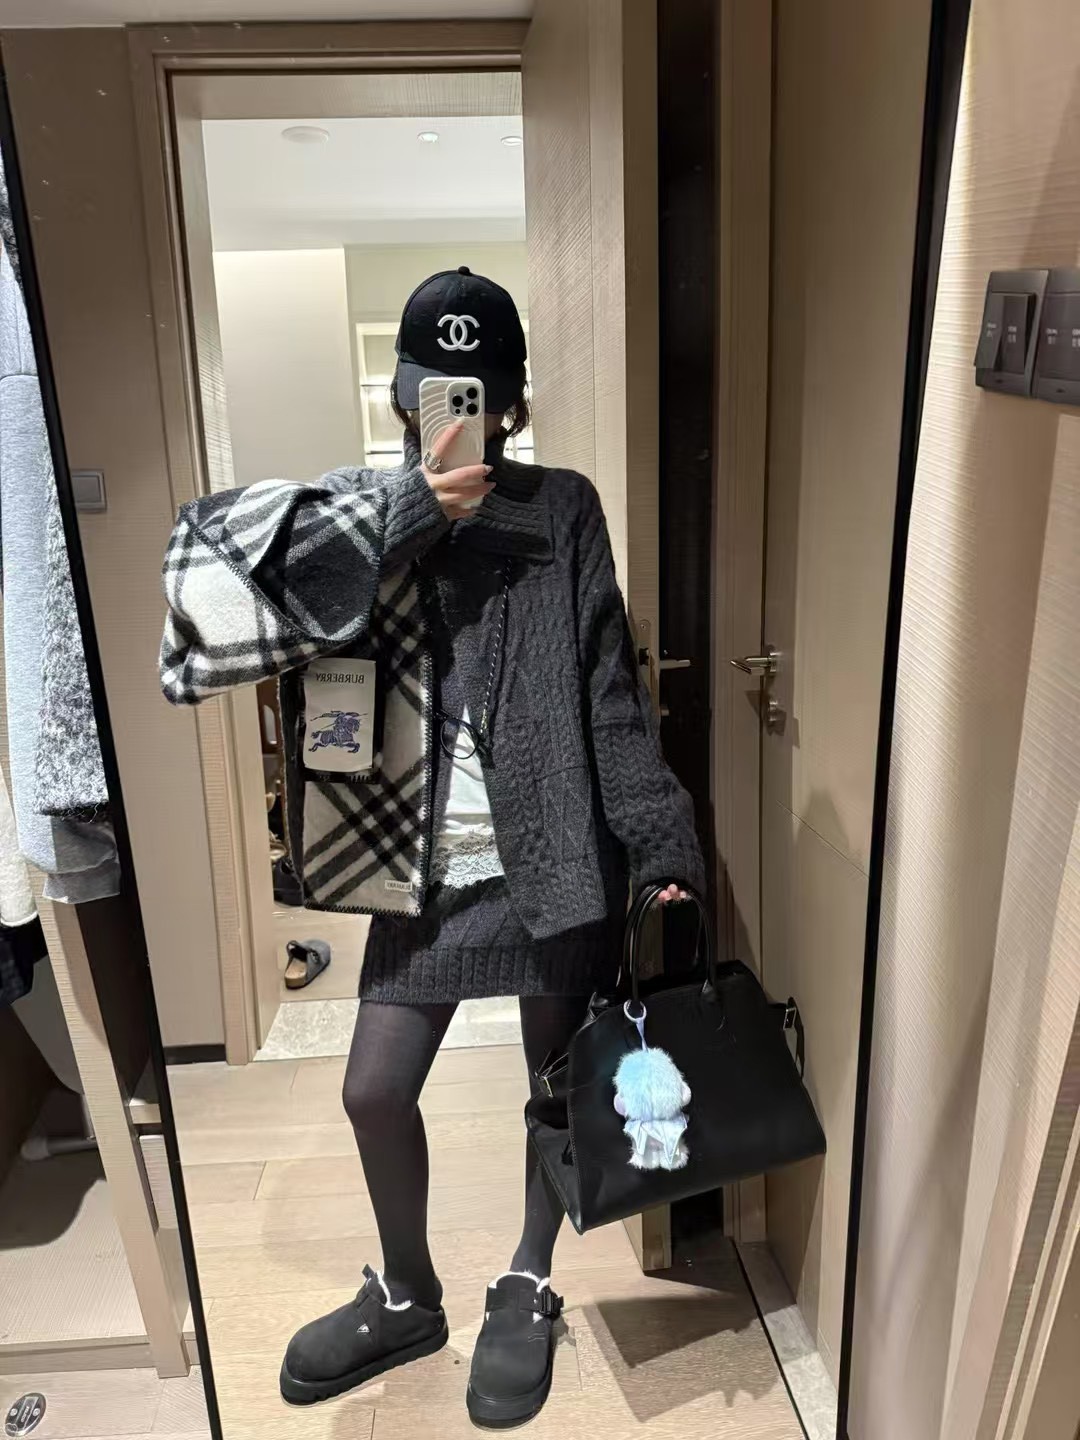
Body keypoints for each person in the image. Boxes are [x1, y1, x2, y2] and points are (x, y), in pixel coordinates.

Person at [160, 266, 703, 1429]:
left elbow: (610, 693)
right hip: (421, 875)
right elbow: (210, 602)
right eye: (433, 392)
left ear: (511, 406)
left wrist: (660, 842)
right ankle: (409, 1293)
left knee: (554, 1088)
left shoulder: (563, 509)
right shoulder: (358, 512)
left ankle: (528, 1279)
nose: (454, 414)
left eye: (478, 396)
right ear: (403, 398)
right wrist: (417, 511)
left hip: (553, 860)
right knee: (372, 1090)